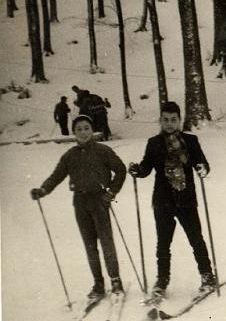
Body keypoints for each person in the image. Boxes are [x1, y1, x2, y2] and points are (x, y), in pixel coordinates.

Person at [30, 115, 127, 299]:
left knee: (106, 243)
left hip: (100, 202)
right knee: (89, 245)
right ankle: (98, 283)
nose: (83, 132)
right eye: (79, 129)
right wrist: (43, 190)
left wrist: (111, 192)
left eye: (86, 128)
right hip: (80, 203)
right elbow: (56, 177)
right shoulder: (69, 156)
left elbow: (120, 170)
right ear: (74, 133)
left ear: (92, 130)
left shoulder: (103, 150)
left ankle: (115, 280)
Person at [128, 101, 215, 299]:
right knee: (163, 243)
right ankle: (162, 280)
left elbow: (202, 163)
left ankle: (207, 275)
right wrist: (138, 171)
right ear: (160, 121)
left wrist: (202, 168)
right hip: (163, 200)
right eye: (165, 120)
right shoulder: (154, 143)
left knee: (196, 238)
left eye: (173, 120)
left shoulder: (190, 141)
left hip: (185, 199)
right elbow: (146, 167)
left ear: (179, 120)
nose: (169, 124)